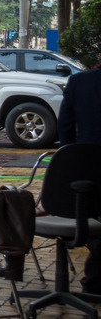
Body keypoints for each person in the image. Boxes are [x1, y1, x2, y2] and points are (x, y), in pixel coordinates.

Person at [57, 62, 101, 294]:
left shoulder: (79, 82)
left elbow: (64, 127)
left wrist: (72, 160)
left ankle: (94, 280)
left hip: (84, 167)